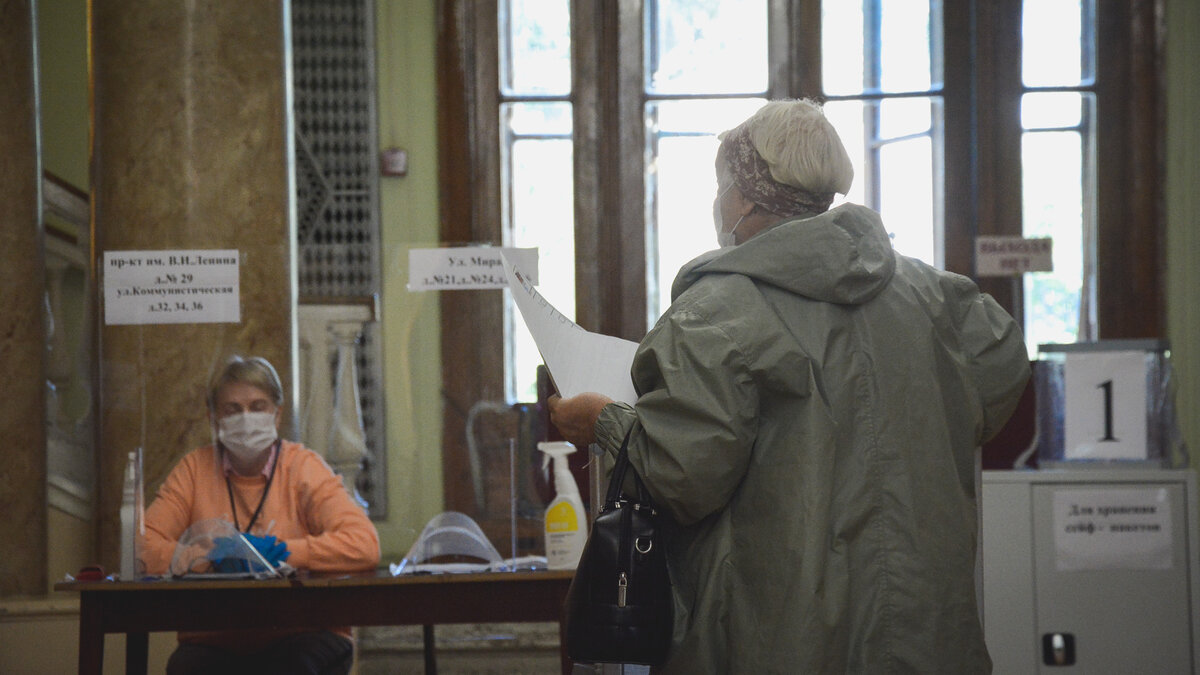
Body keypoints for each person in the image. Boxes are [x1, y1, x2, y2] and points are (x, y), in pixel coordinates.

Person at [548, 99, 1029, 673]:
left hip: (775, 640)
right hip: (926, 639)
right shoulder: (939, 299)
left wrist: (603, 420)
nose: (718, 203)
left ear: (745, 197)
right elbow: (999, 375)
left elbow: (681, 476)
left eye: (721, 187)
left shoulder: (713, 315)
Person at [143, 354, 381, 675]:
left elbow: (364, 544)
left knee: (291, 664)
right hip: (216, 640)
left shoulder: (303, 467)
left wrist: (283, 552)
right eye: (232, 410)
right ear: (213, 419)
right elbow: (142, 548)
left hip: (304, 633)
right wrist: (209, 557)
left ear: (277, 414)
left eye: (258, 407)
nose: (246, 418)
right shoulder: (193, 470)